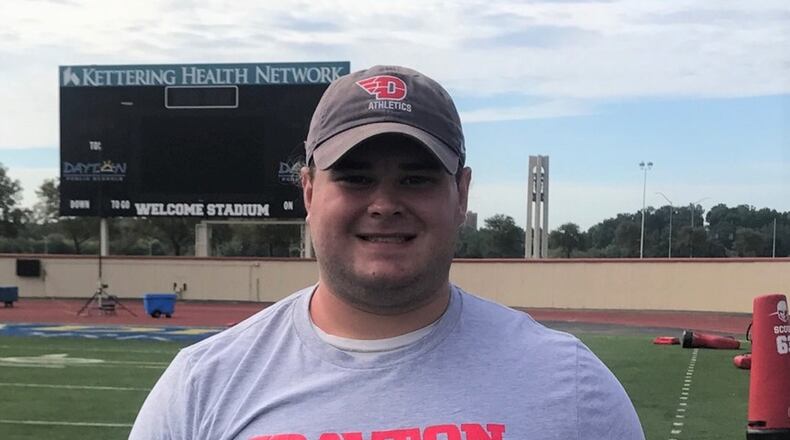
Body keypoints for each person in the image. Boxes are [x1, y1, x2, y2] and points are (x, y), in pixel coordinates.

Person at [130, 65, 645, 440]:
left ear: (461, 194)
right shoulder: (202, 384)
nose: (384, 204)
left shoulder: (570, 385)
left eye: (416, 179)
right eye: (354, 178)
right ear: (308, 191)